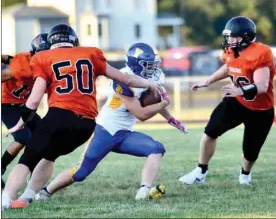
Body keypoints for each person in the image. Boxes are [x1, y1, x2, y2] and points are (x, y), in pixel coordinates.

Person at [1, 24, 163, 210]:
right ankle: (28, 197)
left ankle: (5, 200)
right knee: (50, 155)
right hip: (86, 125)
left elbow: (34, 100)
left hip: (59, 115)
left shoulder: (43, 58)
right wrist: (149, 83)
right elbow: (124, 78)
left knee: (28, 159)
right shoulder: (91, 54)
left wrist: (20, 122)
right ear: (74, 41)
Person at [34, 42, 188, 202]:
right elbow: (141, 114)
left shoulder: (155, 76)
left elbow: (154, 100)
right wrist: (163, 103)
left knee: (156, 149)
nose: (152, 69)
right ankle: (46, 192)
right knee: (80, 173)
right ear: (136, 64)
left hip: (125, 133)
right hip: (105, 131)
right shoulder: (122, 79)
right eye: (148, 65)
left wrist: (170, 118)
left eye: (153, 65)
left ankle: (144, 190)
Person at [179, 16, 275, 186]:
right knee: (210, 131)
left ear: (246, 37)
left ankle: (245, 176)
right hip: (237, 101)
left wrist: (239, 90)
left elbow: (261, 85)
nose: (230, 40)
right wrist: (208, 81)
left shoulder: (261, 53)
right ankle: (200, 171)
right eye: (229, 36)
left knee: (250, 151)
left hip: (261, 109)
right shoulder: (231, 51)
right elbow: (229, 66)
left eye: (234, 37)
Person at [1, 33, 49, 189]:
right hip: (7, 104)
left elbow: (9, 58)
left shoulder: (45, 65)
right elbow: (7, 70)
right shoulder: (23, 65)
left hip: (24, 105)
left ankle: (34, 176)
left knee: (43, 136)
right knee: (24, 138)